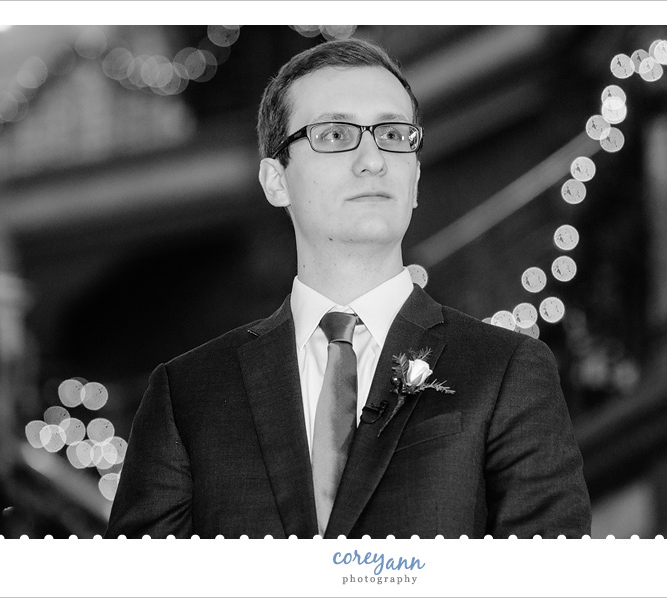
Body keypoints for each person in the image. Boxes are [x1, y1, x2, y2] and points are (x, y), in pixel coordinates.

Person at [105, 38, 591, 539]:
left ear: (416, 177)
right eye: (336, 134)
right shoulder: (187, 396)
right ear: (276, 181)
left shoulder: (508, 369)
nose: (373, 159)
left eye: (394, 135)